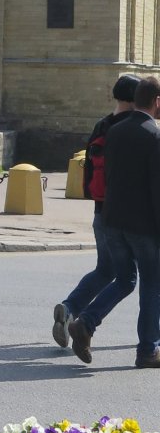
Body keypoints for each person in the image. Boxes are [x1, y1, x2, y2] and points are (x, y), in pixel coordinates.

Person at [68, 75, 160, 368]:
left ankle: (86, 322)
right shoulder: (154, 136)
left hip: (111, 220)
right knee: (151, 285)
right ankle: (148, 350)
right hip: (143, 225)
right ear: (156, 102)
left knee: (123, 279)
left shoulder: (115, 130)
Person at [51, 74, 139, 350]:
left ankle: (70, 307)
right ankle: (89, 322)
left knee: (105, 269)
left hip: (100, 212)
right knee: (132, 277)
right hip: (128, 216)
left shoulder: (101, 125)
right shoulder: (131, 129)